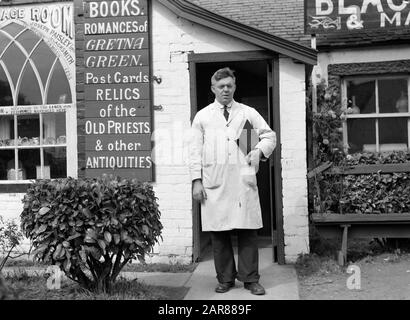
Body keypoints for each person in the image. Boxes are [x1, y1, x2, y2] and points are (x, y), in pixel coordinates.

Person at [189, 67, 276, 295]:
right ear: (213, 89)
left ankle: (250, 279)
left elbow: (269, 136)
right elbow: (194, 151)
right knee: (219, 233)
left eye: (229, 85)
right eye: (221, 86)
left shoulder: (247, 113)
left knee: (247, 231)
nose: (225, 89)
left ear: (234, 87)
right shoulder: (203, 116)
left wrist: (258, 150)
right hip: (214, 181)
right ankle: (225, 279)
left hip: (242, 180)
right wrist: (196, 181)